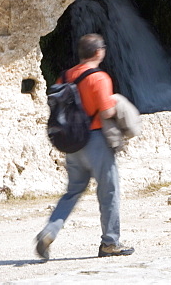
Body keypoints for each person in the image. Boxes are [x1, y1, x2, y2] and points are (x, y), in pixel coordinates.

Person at [35, 34, 134, 260]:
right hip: (97, 141)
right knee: (109, 192)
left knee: (72, 192)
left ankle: (49, 231)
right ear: (99, 52)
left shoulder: (65, 76)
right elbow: (107, 111)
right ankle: (110, 243)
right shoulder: (99, 78)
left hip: (73, 142)